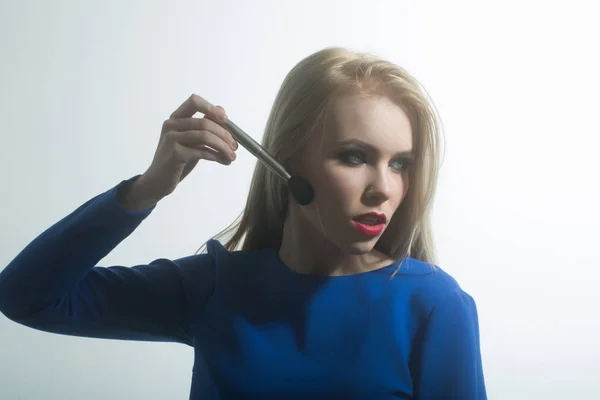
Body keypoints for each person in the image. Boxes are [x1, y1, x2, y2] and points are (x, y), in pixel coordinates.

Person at [0, 47, 487, 399]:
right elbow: (26, 296)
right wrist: (148, 188)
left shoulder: (434, 305)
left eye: (400, 163)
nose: (384, 187)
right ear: (286, 162)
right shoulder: (215, 286)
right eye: (354, 156)